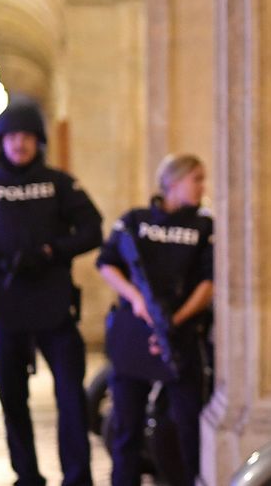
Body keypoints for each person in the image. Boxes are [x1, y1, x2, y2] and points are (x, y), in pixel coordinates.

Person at [0, 97, 102, 486]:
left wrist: (52, 251)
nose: (20, 144)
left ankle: (77, 478)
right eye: (12, 137)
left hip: (55, 307)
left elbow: (92, 229)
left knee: (71, 399)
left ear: (39, 141)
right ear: (1, 141)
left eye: (27, 136)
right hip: (7, 306)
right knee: (13, 400)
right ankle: (27, 475)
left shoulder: (60, 185)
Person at [96, 154, 214, 486]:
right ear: (173, 182)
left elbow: (209, 283)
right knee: (126, 427)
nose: (202, 187)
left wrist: (175, 319)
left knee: (185, 424)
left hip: (181, 335)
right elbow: (107, 263)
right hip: (134, 333)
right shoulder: (136, 220)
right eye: (197, 179)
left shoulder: (204, 225)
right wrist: (136, 299)